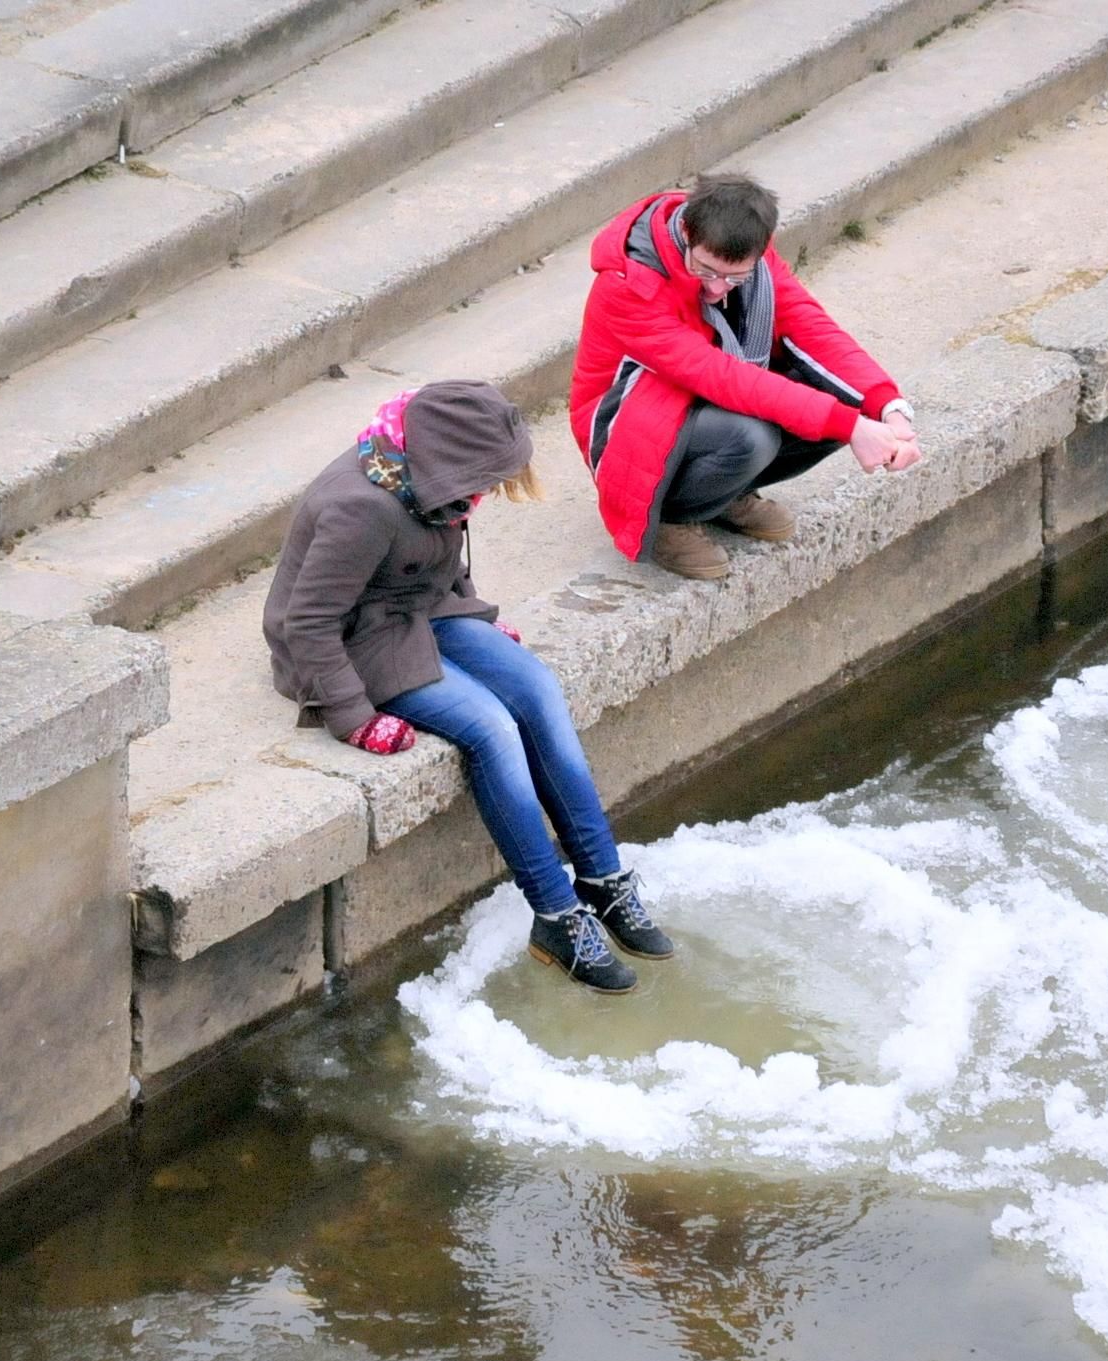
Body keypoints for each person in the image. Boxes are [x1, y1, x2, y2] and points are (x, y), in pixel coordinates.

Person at [262, 379, 671, 994]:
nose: (483, 497)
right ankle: (556, 915)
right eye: (479, 481)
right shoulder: (363, 506)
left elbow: (441, 560)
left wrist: (472, 613)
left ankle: (602, 878)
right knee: (492, 729)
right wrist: (351, 716)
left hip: (419, 613)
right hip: (352, 643)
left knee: (537, 689)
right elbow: (308, 621)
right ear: (446, 462)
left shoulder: (424, 479)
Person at [570, 171, 923, 580]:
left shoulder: (754, 258)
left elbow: (810, 328)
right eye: (706, 271)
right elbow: (719, 376)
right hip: (626, 421)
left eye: (735, 278)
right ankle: (671, 517)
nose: (718, 289)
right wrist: (850, 426)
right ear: (686, 230)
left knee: (842, 396)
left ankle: (724, 495)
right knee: (752, 437)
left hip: (695, 402)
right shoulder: (629, 284)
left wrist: (888, 410)